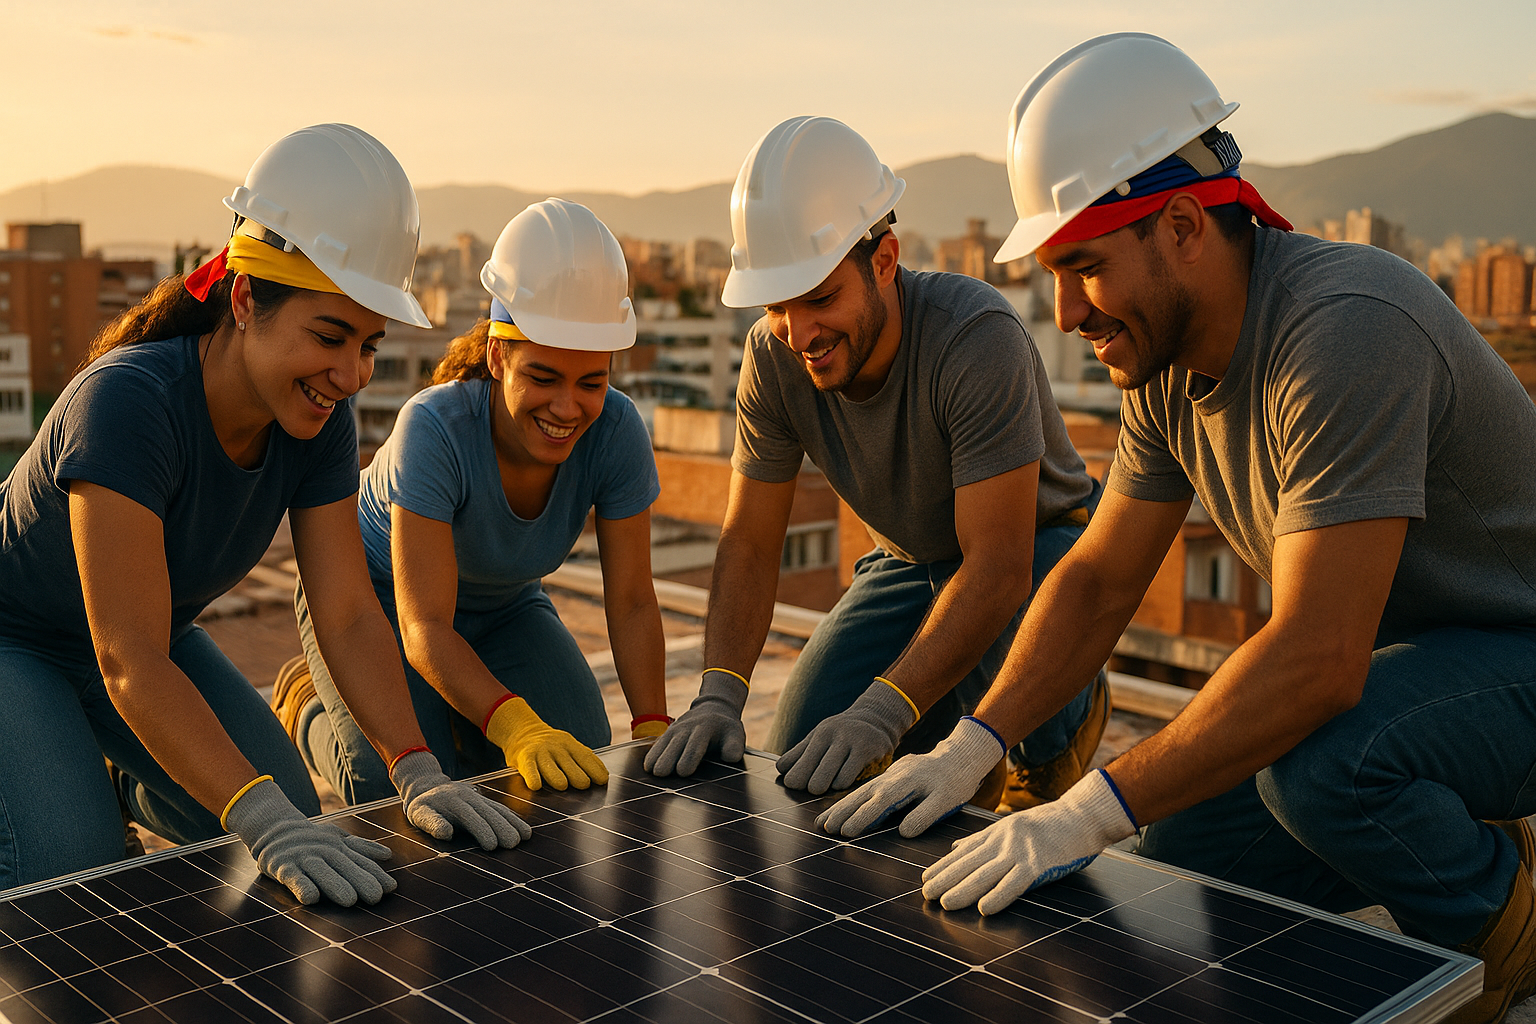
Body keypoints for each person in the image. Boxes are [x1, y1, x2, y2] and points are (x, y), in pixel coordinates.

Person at [820, 33, 1536, 1024]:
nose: (1066, 309)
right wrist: (972, 746)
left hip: (1515, 654)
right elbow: (1100, 578)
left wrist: (1086, 806)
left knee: (1327, 762)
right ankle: (1437, 826)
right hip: (1410, 667)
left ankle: (1503, 915)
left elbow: (1318, 659)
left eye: (1086, 266)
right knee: (1184, 855)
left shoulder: (1347, 327)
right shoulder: (1167, 361)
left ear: (1187, 224)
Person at [0, 124, 528, 906]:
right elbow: (128, 660)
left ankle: (121, 780)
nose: (350, 373)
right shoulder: (126, 405)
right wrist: (261, 822)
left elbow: (346, 612)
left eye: (369, 344)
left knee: (294, 801)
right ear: (245, 300)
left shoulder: (316, 415)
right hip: (23, 645)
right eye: (328, 335)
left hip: (150, 645)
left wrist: (414, 764)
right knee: (66, 872)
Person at [645, 115, 1106, 808]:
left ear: (884, 260)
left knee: (978, 708)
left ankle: (1050, 730)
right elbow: (749, 541)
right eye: (777, 305)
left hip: (1034, 551)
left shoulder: (975, 337)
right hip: (906, 561)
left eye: (822, 298)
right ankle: (950, 724)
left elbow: (997, 567)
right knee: (807, 754)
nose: (800, 333)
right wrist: (719, 693)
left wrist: (884, 713)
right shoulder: (774, 359)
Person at [276, 198, 667, 802]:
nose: (568, 408)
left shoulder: (617, 430)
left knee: (581, 757)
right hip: (378, 607)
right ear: (496, 357)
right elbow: (422, 624)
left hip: (504, 608)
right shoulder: (435, 428)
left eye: (591, 382)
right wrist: (514, 726)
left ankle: (461, 711)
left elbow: (634, 599)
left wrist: (650, 735)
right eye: (542, 377)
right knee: (394, 789)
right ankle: (307, 708)